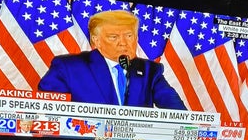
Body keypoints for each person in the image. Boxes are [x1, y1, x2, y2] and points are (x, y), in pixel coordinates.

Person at [38, 9, 187, 110]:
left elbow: (178, 114)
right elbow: (48, 113)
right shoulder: (68, 68)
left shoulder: (150, 71)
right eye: (114, 37)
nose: (123, 43)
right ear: (96, 40)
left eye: (129, 36)